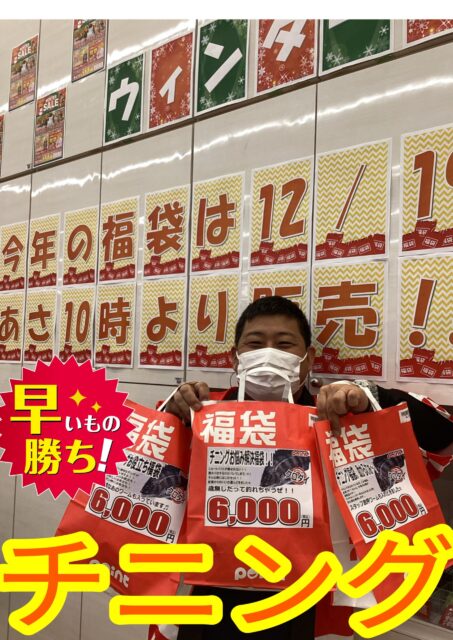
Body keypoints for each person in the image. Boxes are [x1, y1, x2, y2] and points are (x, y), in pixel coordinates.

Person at [164, 296, 453, 640]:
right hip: (207, 597)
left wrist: (368, 397)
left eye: (284, 344)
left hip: (306, 600)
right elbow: (147, 473)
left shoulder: (337, 415)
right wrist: (172, 414)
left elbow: (442, 436)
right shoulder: (202, 412)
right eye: (255, 344)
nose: (269, 354)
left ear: (308, 358)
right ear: (235, 357)